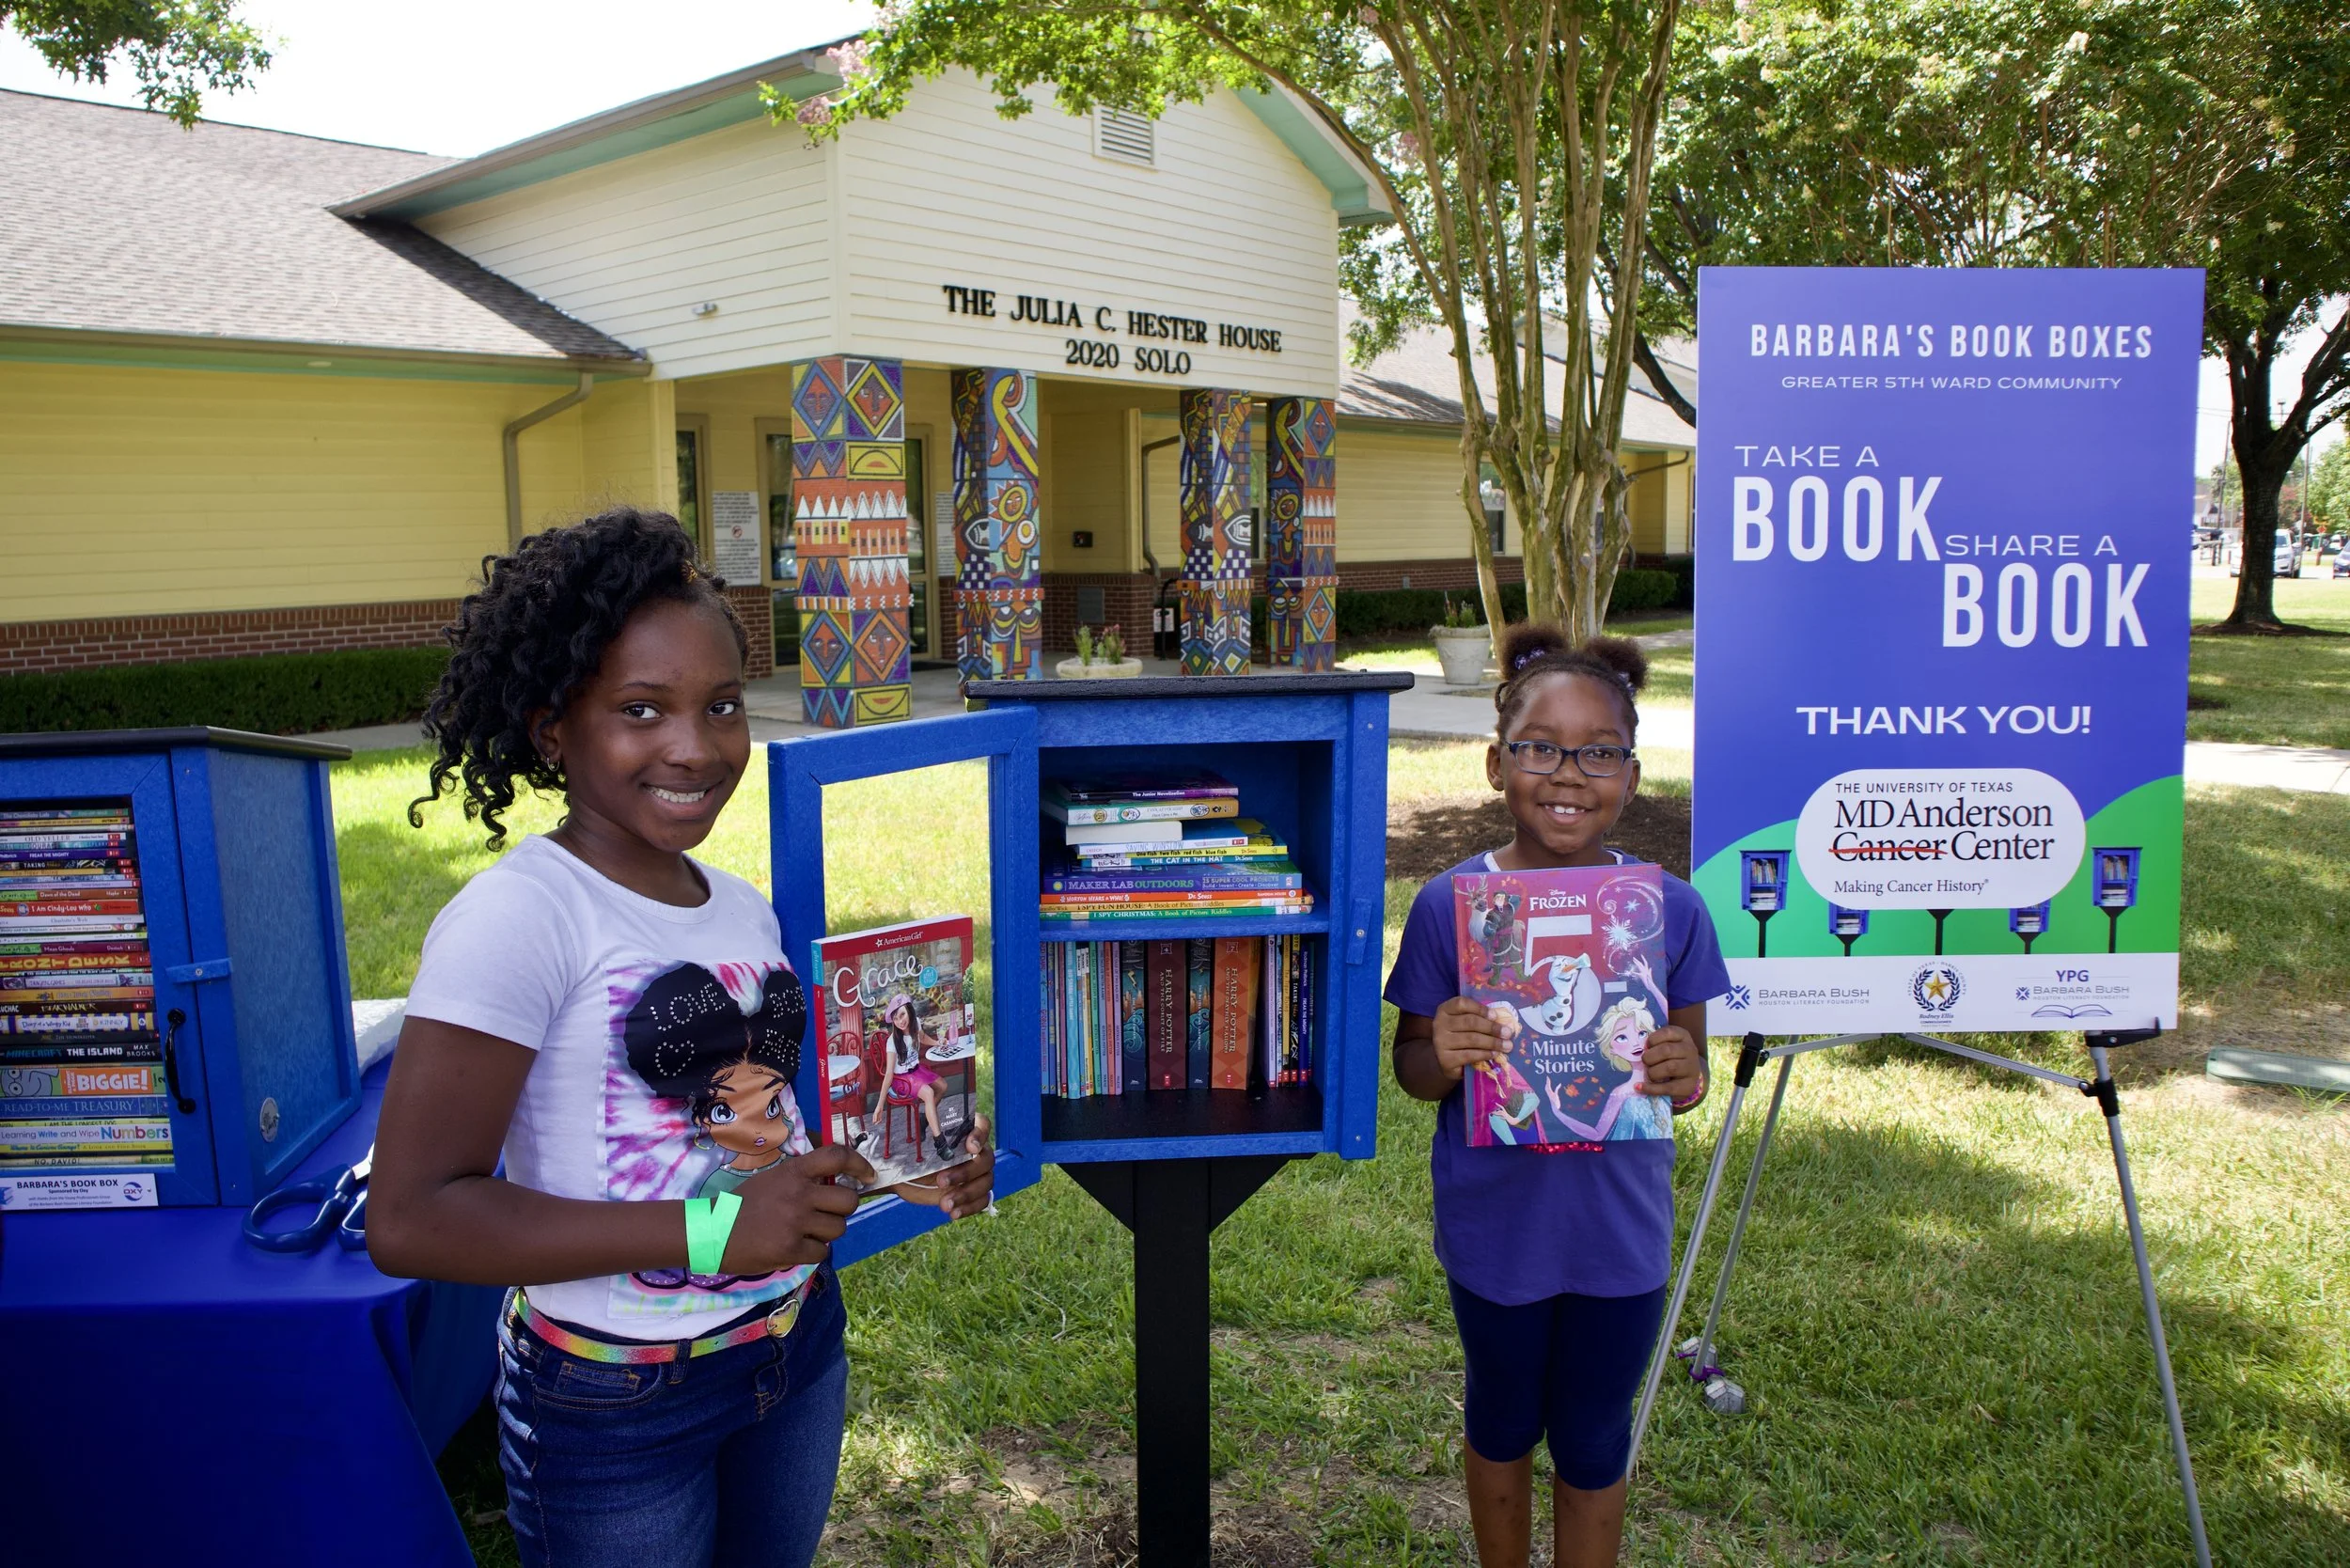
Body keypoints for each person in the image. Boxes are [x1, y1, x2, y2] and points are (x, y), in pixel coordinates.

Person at [365, 508, 995, 1568]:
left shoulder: (739, 907)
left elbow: (757, 1136)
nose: (694, 747)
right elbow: (415, 1220)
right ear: (552, 727)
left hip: (793, 1348)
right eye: (641, 710)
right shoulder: (520, 918)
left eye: (722, 706)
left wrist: (904, 1162)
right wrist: (709, 1235)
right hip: (614, 1401)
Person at [1385, 622, 1731, 1568]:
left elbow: (1688, 1073)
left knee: (1592, 1434)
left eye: (1598, 753)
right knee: (1499, 1419)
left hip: (1619, 1234)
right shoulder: (1448, 906)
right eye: (1541, 748)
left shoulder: (1670, 909)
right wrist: (1442, 1052)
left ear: (1630, 772)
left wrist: (1678, 1072)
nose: (1568, 774)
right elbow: (1411, 1068)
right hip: (1497, 1232)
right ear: (1498, 764)